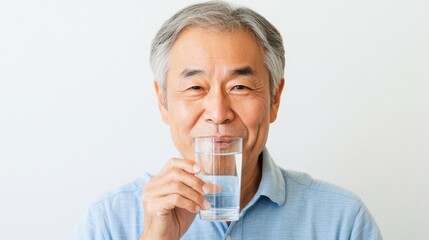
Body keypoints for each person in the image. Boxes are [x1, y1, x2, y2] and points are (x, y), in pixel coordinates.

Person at [73, 1, 382, 239]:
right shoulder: (109, 221)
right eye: (196, 88)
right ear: (163, 101)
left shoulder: (343, 220)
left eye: (240, 87)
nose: (218, 113)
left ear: (275, 98)